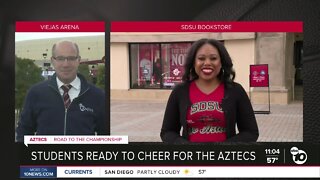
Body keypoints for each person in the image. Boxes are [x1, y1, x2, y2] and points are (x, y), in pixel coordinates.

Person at [160, 38, 259, 144]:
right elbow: (167, 132)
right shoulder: (180, 91)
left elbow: (250, 132)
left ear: (221, 62)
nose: (207, 63)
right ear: (193, 62)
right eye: (201, 58)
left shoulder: (236, 91)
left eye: (213, 58)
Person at [16, 40, 107, 142]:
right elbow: (23, 132)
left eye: (71, 58)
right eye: (60, 58)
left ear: (78, 60)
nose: (66, 64)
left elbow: (104, 137)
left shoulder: (97, 96)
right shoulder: (36, 93)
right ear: (53, 60)